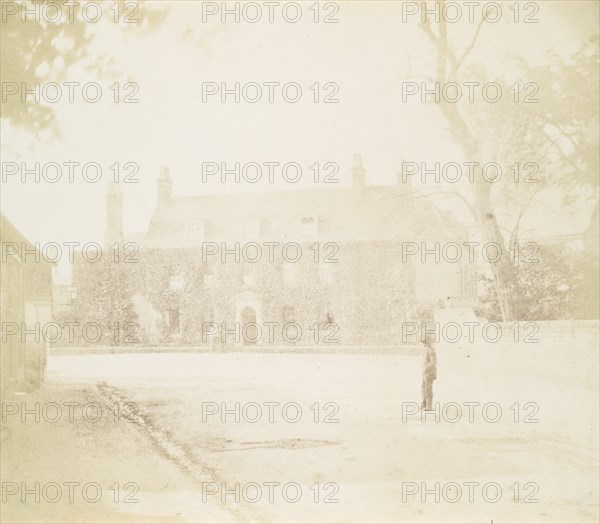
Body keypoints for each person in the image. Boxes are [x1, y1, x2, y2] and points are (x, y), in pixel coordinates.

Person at [421, 337, 437, 411]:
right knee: (423, 388)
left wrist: (426, 368)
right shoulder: (427, 349)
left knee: (428, 390)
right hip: (425, 372)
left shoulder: (431, 350)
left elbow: (433, 363)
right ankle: (425, 404)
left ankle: (429, 407)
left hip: (429, 372)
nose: (424, 344)